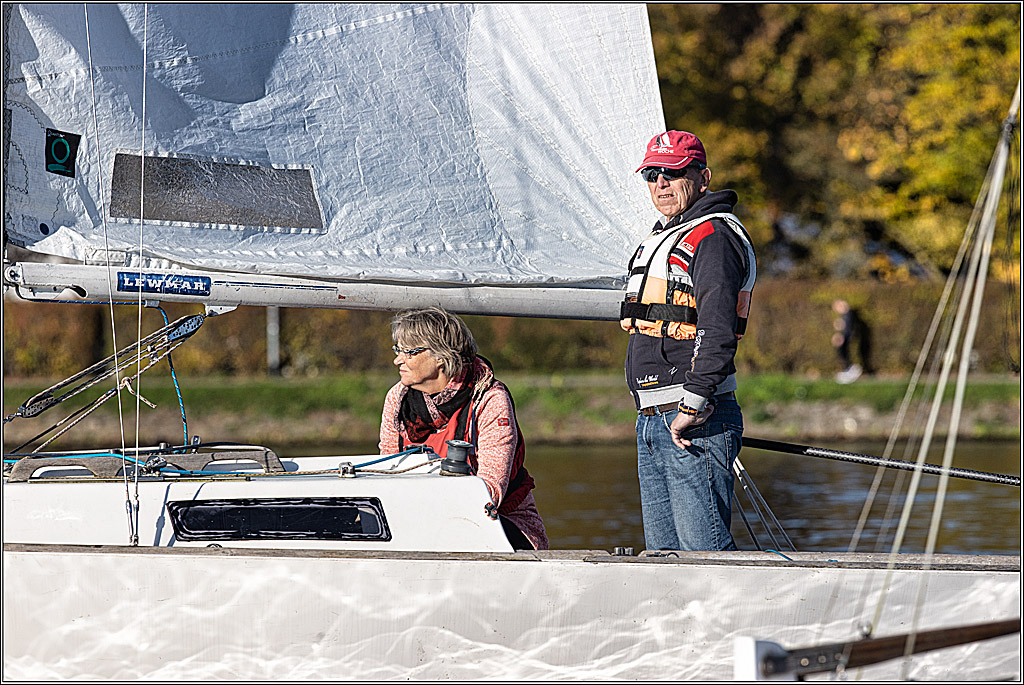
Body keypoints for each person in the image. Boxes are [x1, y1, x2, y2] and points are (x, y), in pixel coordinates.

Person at [620, 130, 757, 551]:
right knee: (664, 563)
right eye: (651, 174)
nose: (659, 184)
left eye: (673, 173)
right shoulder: (665, 235)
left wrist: (692, 404)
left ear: (702, 177)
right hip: (653, 417)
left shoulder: (713, 238)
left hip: (694, 420)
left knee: (704, 559)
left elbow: (716, 331)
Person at [379, 306, 549, 550]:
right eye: (398, 350)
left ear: (441, 357)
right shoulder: (398, 398)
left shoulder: (490, 398)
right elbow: (386, 471)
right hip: (418, 520)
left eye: (409, 352)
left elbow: (489, 492)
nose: (398, 360)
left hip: (499, 523)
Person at [831, 299, 873, 384]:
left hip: (850, 338)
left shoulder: (849, 314)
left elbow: (849, 329)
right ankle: (849, 369)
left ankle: (851, 369)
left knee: (846, 352)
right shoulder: (847, 315)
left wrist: (842, 336)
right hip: (850, 337)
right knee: (843, 352)